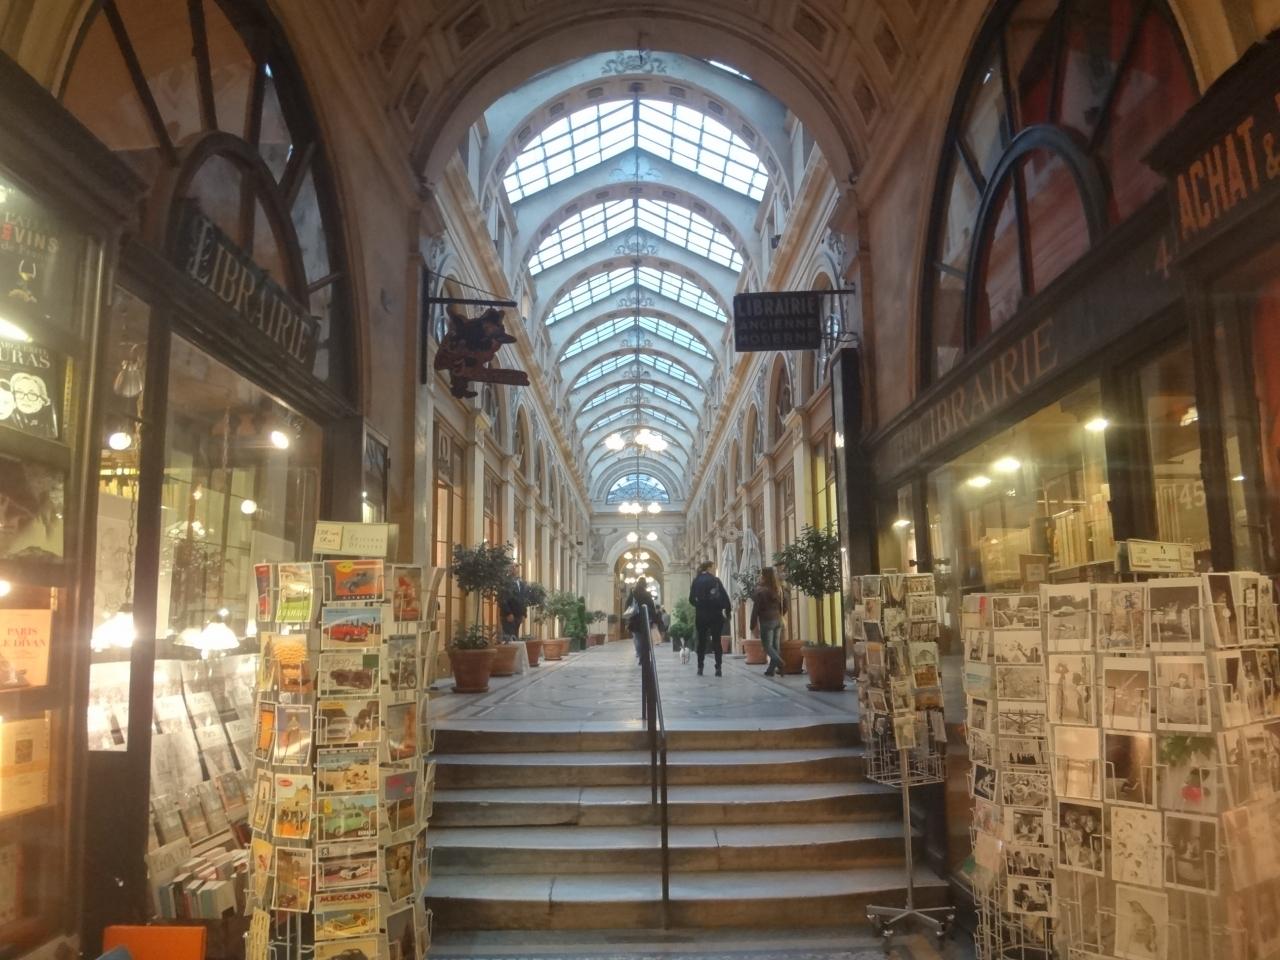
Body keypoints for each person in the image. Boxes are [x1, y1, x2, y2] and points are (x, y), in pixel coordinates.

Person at [689, 560, 731, 676]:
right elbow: (724, 597)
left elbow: (691, 599)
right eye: (713, 567)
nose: (714, 569)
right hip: (715, 615)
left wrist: (699, 605)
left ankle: (700, 667)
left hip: (701, 615)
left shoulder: (696, 581)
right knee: (717, 641)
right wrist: (727, 611)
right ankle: (718, 668)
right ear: (708, 568)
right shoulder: (715, 580)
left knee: (701, 641)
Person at [750, 567, 788, 677]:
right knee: (775, 646)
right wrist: (780, 614)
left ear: (763, 576)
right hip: (778, 619)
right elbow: (785, 605)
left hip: (767, 621)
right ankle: (771, 670)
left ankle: (780, 663)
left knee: (767, 646)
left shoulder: (760, 590)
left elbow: (755, 609)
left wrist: (752, 625)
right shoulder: (778, 589)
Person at [628, 576, 658, 665]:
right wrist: (655, 620)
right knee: (645, 640)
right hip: (645, 620)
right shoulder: (647, 594)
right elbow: (652, 608)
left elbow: (628, 605)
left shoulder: (633, 593)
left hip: (635, 620)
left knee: (637, 639)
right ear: (645, 585)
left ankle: (640, 655)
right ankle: (644, 658)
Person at [499, 565, 528, 642]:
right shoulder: (505, 582)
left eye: (516, 566)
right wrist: (508, 613)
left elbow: (524, 599)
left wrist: (524, 614)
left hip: (518, 616)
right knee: (509, 640)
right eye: (512, 567)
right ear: (509, 569)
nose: (514, 568)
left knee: (515, 638)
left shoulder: (521, 584)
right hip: (508, 617)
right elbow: (502, 599)